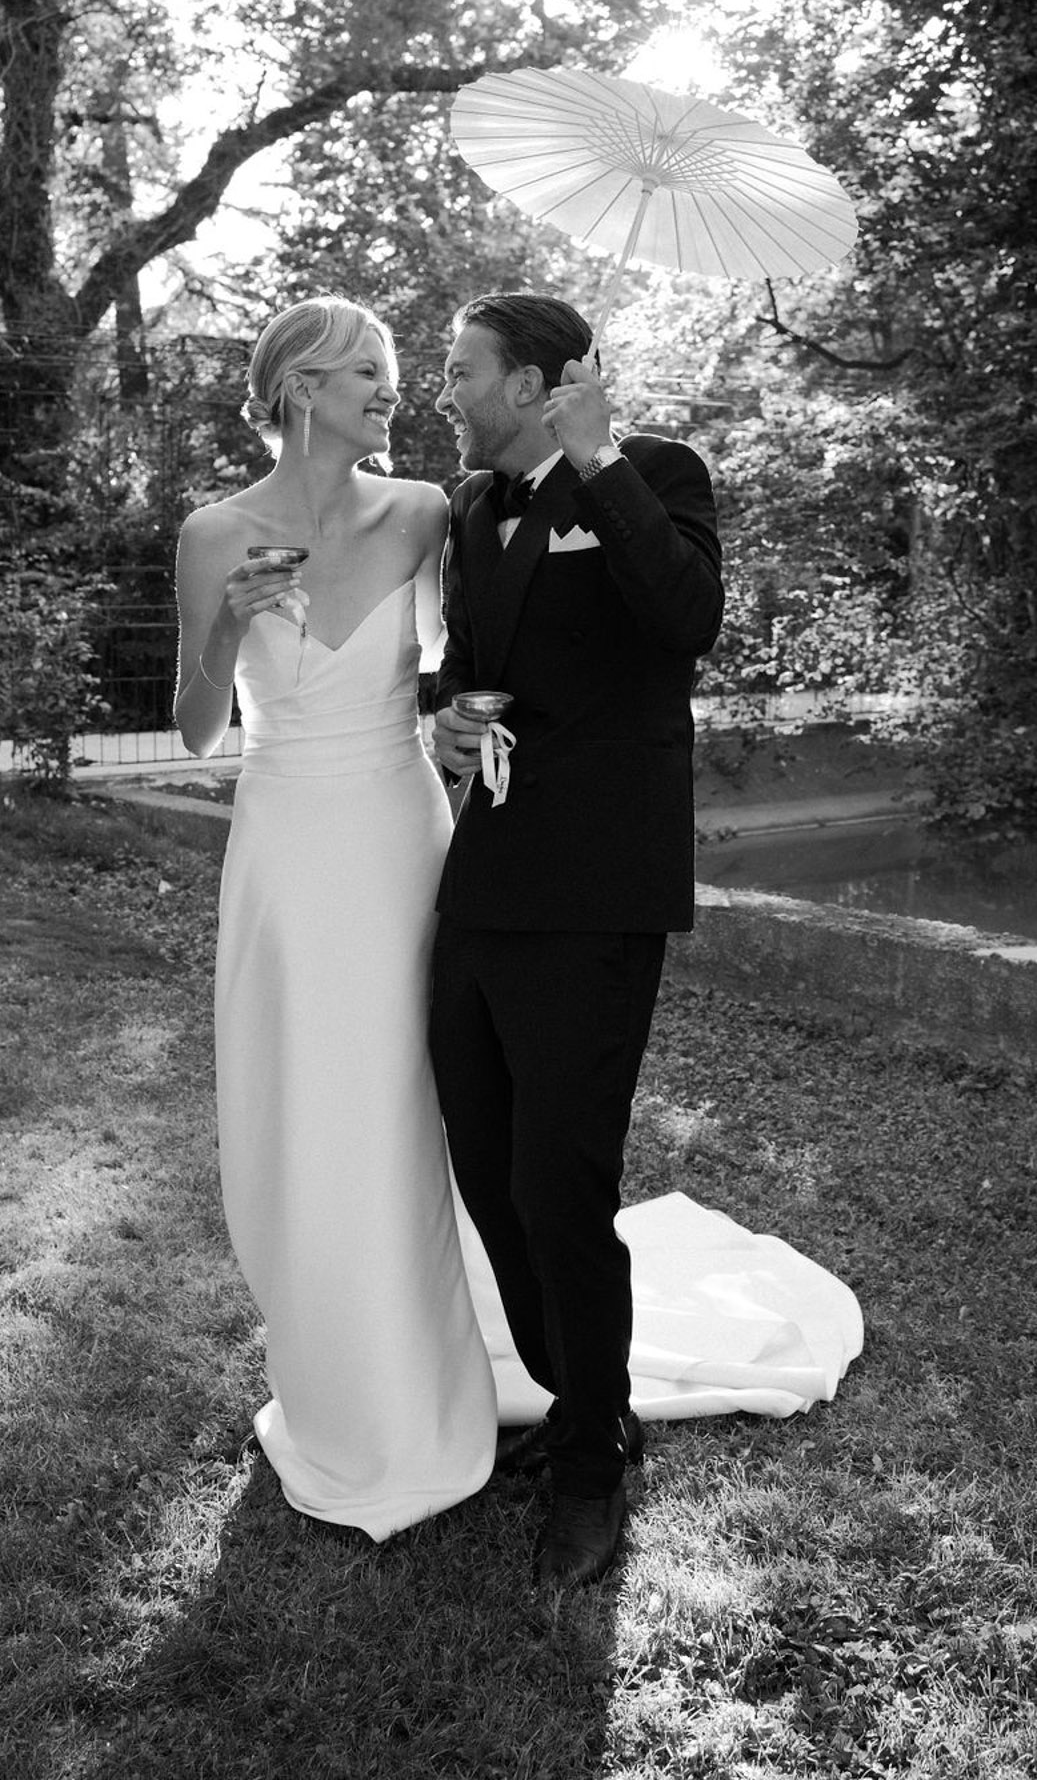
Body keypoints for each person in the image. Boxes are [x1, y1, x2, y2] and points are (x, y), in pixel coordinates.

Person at [173, 294, 497, 1540]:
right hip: (290, 848)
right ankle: (338, 1375)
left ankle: (436, 1371)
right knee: (312, 1108)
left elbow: (467, 662)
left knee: (411, 1093)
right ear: (300, 387)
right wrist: (225, 621)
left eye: (392, 370)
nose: (390, 388)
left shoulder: (423, 511)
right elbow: (199, 729)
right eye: (367, 370)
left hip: (400, 834)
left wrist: (463, 720)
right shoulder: (214, 531)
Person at [428, 291, 726, 1589]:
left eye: (463, 371)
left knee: (562, 1178)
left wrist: (599, 460)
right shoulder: (470, 508)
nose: (446, 391)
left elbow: (687, 618)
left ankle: (593, 1465)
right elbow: (472, 666)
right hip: (485, 877)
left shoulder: (655, 472)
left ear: (533, 383)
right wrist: (450, 717)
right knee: (484, 1158)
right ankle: (576, 1391)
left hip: (600, 887)